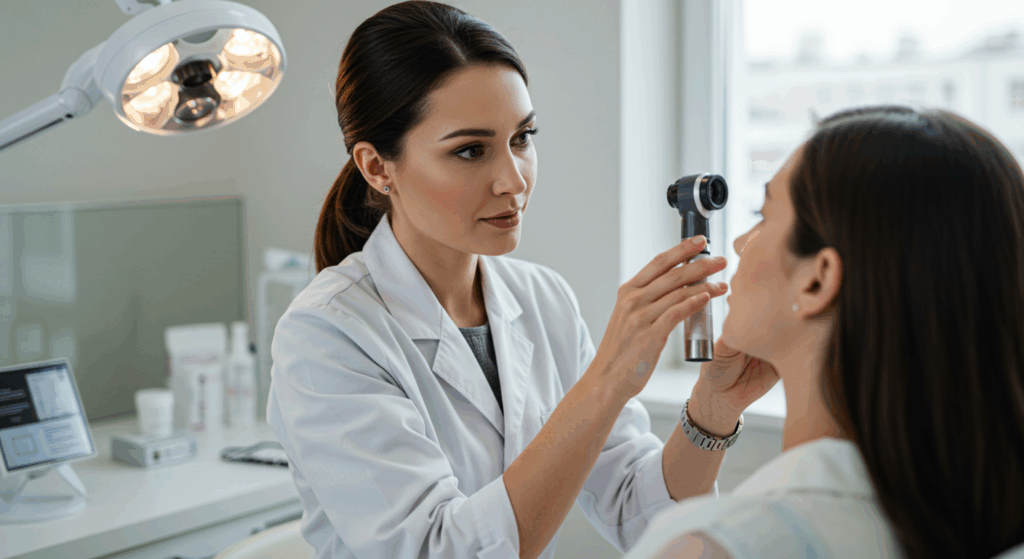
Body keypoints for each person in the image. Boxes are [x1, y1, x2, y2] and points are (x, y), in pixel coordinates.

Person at [265, 2, 781, 558]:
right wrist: (607, 379)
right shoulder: (327, 334)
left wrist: (714, 408)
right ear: (376, 167)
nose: (513, 180)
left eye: (523, 137)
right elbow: (439, 550)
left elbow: (641, 516)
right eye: (469, 151)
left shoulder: (541, 299)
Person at [621, 106, 1024, 559]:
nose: (737, 243)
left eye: (764, 213)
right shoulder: (983, 512)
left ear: (816, 279)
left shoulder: (719, 544)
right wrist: (714, 403)